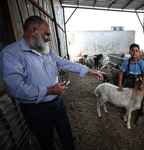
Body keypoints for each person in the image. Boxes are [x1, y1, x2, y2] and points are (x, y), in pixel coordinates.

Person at [0, 16, 105, 150]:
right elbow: (15, 88)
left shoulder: (45, 50)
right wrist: (50, 90)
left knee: (67, 136)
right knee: (47, 143)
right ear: (34, 31)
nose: (49, 38)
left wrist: (89, 70)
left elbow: (63, 62)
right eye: (47, 34)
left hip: (58, 103)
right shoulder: (11, 54)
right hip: (36, 109)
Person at [117, 43, 144, 126]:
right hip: (129, 83)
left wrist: (143, 85)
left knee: (138, 99)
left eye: (136, 51)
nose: (134, 53)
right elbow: (121, 73)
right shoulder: (126, 63)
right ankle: (127, 113)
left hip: (138, 84)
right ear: (129, 52)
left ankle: (140, 115)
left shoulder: (141, 63)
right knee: (127, 98)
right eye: (132, 51)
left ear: (139, 52)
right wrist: (120, 85)